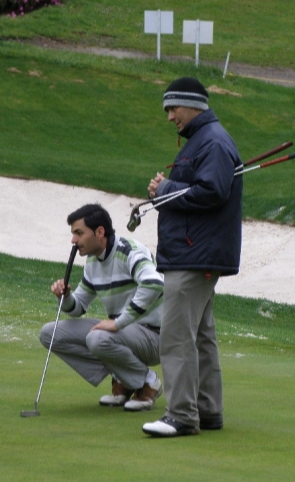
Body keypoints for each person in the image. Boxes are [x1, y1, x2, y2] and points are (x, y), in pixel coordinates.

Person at [142, 77, 243, 437]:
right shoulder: (205, 140)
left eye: (173, 108)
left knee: (176, 336)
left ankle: (182, 415)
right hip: (196, 251)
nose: (170, 117)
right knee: (200, 336)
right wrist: (167, 191)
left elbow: (212, 191)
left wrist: (165, 188)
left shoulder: (212, 141)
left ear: (192, 105)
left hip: (193, 254)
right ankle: (207, 411)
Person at [39, 203, 164, 411]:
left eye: (79, 233)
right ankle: (125, 378)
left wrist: (118, 323)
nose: (73, 240)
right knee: (49, 334)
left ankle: (148, 382)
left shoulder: (128, 251)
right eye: (73, 234)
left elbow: (153, 283)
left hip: (156, 337)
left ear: (99, 232)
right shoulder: (93, 262)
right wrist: (66, 296)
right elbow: (77, 308)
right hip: (126, 333)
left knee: (97, 338)